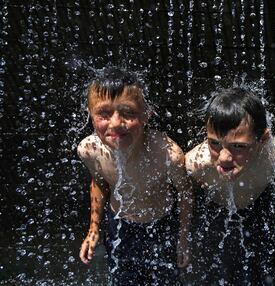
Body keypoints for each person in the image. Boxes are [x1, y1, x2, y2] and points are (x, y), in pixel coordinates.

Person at [77, 67, 192, 285]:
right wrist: (93, 229)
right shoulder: (89, 150)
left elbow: (185, 192)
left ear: (146, 114)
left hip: (162, 225)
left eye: (128, 113)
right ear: (90, 115)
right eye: (103, 114)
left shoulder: (168, 155)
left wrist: (183, 238)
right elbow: (99, 183)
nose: (115, 124)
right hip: (119, 223)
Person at [185, 87, 275, 284]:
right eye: (215, 144)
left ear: (262, 139)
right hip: (216, 211)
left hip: (260, 206)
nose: (225, 158)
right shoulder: (196, 165)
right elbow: (185, 197)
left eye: (238, 146)